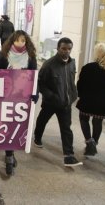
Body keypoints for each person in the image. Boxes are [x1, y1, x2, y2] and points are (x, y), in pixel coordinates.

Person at [33, 37, 82, 167]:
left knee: (66, 129)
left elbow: (71, 81)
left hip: (66, 103)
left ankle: (69, 156)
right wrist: (51, 96)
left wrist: (73, 95)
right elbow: (40, 83)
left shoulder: (72, 63)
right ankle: (37, 137)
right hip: (51, 102)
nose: (66, 51)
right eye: (63, 48)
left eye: (69, 49)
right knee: (42, 120)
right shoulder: (49, 64)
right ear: (58, 48)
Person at [0, 30, 38, 175]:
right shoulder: (4, 56)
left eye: (23, 41)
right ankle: (9, 155)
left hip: (23, 98)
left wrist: (35, 93)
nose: (20, 43)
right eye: (17, 40)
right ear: (12, 41)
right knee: (8, 124)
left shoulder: (30, 57)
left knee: (17, 125)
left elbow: (34, 76)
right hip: (7, 97)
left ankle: (11, 153)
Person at [76, 43, 105, 156]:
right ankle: (94, 142)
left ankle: (89, 141)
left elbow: (80, 84)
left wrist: (81, 96)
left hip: (87, 102)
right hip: (103, 105)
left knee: (84, 119)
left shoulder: (88, 67)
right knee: (97, 122)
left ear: (97, 53)